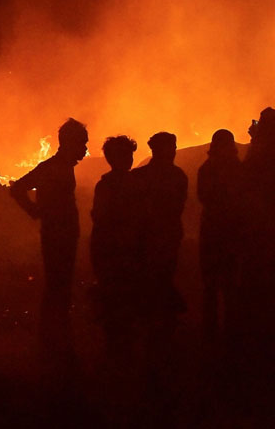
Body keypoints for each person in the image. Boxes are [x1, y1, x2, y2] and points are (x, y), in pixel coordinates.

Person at [10, 118, 88, 360]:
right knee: (57, 287)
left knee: (59, 286)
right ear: (70, 143)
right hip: (57, 235)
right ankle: (53, 341)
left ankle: (53, 338)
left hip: (62, 234)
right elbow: (17, 188)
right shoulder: (52, 167)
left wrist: (35, 211)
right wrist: (34, 211)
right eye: (82, 144)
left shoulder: (61, 167)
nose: (85, 150)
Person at [132, 132, 188, 376]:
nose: (173, 151)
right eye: (170, 147)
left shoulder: (142, 176)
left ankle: (156, 331)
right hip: (156, 239)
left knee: (157, 282)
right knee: (158, 281)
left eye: (173, 147)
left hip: (157, 239)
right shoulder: (176, 176)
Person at [90, 135, 143, 356]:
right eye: (127, 155)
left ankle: (117, 347)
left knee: (118, 301)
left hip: (115, 250)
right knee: (120, 300)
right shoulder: (127, 185)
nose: (130, 159)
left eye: (130, 155)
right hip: (117, 250)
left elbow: (98, 217)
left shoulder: (108, 185)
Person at [197, 129, 243, 343]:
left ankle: (212, 330)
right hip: (228, 231)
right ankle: (228, 330)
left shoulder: (207, 169)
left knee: (213, 284)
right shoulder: (237, 169)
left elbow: (203, 197)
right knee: (227, 284)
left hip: (215, 230)